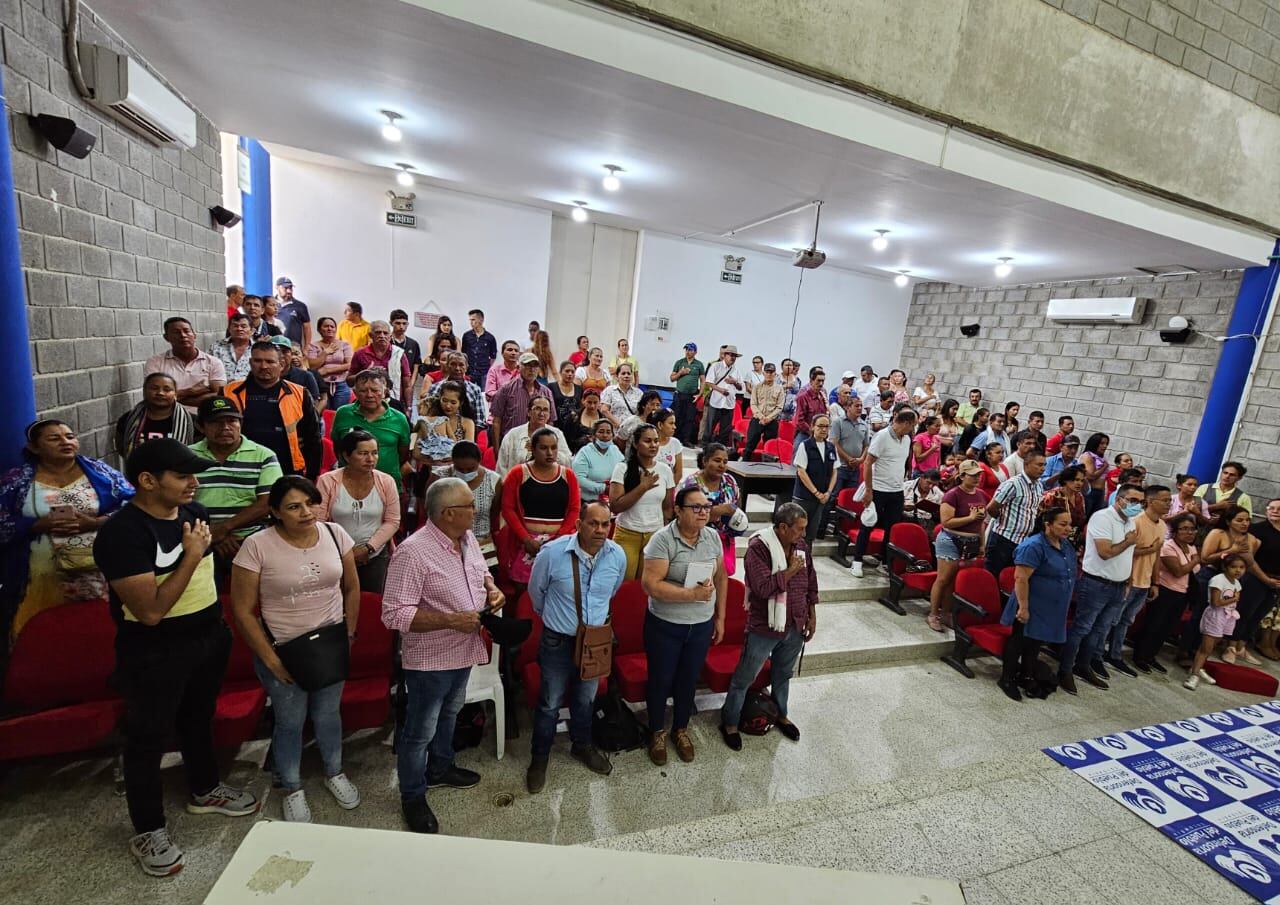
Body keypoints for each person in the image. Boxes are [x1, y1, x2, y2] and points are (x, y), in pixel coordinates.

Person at [93, 439, 258, 876]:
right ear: (148, 481)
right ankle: (148, 828)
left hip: (206, 636)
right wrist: (190, 555)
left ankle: (205, 788)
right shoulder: (122, 533)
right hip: (155, 649)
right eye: (183, 476)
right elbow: (149, 611)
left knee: (197, 718)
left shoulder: (193, 514)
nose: (194, 483)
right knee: (147, 738)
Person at [229, 476, 361, 822]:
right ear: (274, 512)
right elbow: (242, 611)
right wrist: (271, 660)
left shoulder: (335, 534)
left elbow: (351, 587)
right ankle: (290, 785)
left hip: (330, 644)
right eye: (293, 506)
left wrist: (348, 633)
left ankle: (334, 771)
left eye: (310, 503)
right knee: (290, 721)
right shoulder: (257, 546)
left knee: (328, 714)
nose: (305, 512)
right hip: (284, 648)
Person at [382, 477, 506, 834]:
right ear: (448, 513)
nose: (477, 510)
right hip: (430, 661)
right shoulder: (413, 552)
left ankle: (441, 767)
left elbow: (482, 574)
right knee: (419, 730)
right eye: (470, 506)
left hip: (465, 651)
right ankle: (413, 795)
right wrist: (450, 620)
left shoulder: (466, 538)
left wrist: (492, 590)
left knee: (451, 713)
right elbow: (393, 613)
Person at [0, 420, 133, 641]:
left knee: (97, 633)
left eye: (70, 436)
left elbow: (133, 504)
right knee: (44, 637)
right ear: (34, 447)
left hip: (97, 573)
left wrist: (96, 522)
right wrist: (36, 525)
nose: (65, 442)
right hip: (39, 578)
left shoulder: (100, 472)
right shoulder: (16, 481)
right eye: (54, 438)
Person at [525, 502, 626, 792]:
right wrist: (558, 620)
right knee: (550, 703)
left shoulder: (616, 555)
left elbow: (612, 591)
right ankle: (539, 758)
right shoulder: (553, 554)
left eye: (606, 524)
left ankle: (582, 746)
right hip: (557, 640)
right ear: (579, 523)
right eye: (593, 523)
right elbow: (536, 593)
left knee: (585, 700)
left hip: (595, 641)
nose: (600, 530)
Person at [719, 502, 816, 750]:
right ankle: (730, 722)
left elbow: (810, 581)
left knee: (783, 674)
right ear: (783, 527)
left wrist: (811, 613)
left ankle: (781, 714)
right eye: (799, 529)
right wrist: (790, 571)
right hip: (765, 626)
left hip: (794, 621)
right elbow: (762, 588)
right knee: (745, 677)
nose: (803, 534)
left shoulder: (801, 546)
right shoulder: (758, 548)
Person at [641, 486, 726, 766]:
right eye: (696, 507)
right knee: (661, 680)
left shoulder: (712, 537)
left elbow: (722, 577)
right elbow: (650, 585)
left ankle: (680, 729)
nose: (704, 512)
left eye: (707, 506)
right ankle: (656, 731)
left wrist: (720, 616)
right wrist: (691, 595)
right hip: (666, 624)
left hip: (700, 624)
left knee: (688, 680)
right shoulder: (662, 540)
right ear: (678, 510)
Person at [1057, 483, 1145, 694]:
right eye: (1133, 501)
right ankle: (1065, 670)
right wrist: (1127, 541)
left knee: (1100, 630)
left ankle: (1083, 666)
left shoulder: (1131, 521)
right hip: (1096, 583)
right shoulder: (1102, 517)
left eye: (1140, 502)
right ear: (1119, 499)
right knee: (1082, 628)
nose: (1137, 505)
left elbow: (1128, 555)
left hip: (1118, 585)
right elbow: (1105, 552)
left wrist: (1127, 582)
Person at [189, 397, 282, 587]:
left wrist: (224, 528)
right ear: (201, 427)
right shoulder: (187, 457)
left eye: (232, 421)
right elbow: (177, 504)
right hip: (199, 540)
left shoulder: (263, 455)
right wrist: (211, 535)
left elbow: (267, 503)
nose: (225, 427)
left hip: (251, 538)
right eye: (216, 422)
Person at [998, 507, 1077, 701]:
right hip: (1030, 603)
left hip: (1050, 607)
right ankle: (1007, 678)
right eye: (1063, 524)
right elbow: (1021, 579)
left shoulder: (1065, 545)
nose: (1068, 528)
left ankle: (1026, 674)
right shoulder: (1033, 546)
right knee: (1019, 640)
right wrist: (1023, 607)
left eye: (1070, 524)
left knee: (1035, 642)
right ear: (1048, 524)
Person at [222, 340, 322, 480]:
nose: (263, 366)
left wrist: (312, 476)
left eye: (270, 362)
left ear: (281, 365)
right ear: (250, 363)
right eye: (258, 361)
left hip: (287, 468)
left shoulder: (299, 393)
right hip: (241, 467)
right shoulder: (230, 392)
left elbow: (313, 437)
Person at [317, 431, 401, 592]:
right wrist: (345, 552)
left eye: (374, 453)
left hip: (375, 554)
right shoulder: (328, 481)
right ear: (347, 456)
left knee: (372, 602)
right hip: (335, 554)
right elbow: (319, 521)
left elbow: (393, 521)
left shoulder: (386, 481)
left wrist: (368, 548)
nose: (370, 459)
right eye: (363, 453)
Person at [1103, 485, 1170, 676]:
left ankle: (1114, 655)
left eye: (1169, 501)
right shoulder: (1136, 521)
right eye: (1165, 500)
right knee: (1112, 619)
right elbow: (1124, 550)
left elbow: (1156, 555)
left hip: (1145, 581)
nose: (1168, 504)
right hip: (1128, 579)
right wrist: (1148, 550)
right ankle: (1098, 654)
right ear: (1150, 501)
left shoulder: (1162, 525)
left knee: (1126, 621)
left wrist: (1155, 582)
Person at [501, 429, 580, 585]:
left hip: (559, 543)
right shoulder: (518, 473)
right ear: (532, 449)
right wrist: (526, 538)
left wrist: (559, 538)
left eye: (554, 447)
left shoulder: (568, 475)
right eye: (543, 448)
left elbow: (574, 509)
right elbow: (508, 509)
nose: (550, 453)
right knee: (523, 591)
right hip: (525, 544)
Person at [850, 408, 916, 578]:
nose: (913, 429)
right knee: (868, 524)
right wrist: (869, 490)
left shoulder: (907, 439)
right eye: (912, 425)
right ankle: (857, 561)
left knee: (891, 529)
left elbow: (903, 464)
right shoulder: (882, 436)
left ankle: (885, 562)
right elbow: (868, 463)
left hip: (896, 490)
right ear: (906, 423)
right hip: (878, 489)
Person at [1132, 513, 1200, 673]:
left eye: (1192, 529)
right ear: (1175, 531)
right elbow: (1178, 571)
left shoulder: (1191, 547)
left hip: (1182, 593)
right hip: (1165, 590)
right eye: (1184, 529)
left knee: (1167, 627)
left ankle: (1151, 656)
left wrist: (1193, 561)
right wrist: (1195, 560)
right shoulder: (1168, 546)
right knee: (1154, 625)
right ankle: (1140, 656)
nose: (1189, 532)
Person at [609, 423, 676, 579]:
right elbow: (615, 506)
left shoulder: (665, 470)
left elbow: (667, 508)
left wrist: (667, 535)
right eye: (647, 441)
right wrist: (642, 487)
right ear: (635, 443)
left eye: (656, 441)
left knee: (646, 584)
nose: (653, 445)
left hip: (655, 536)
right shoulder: (622, 468)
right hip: (627, 534)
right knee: (623, 583)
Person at [927, 459, 987, 632]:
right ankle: (933, 613)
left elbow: (981, 523)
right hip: (951, 539)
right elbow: (946, 522)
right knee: (944, 578)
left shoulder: (981, 494)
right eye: (973, 475)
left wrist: (982, 544)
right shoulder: (952, 495)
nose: (977, 478)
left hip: (971, 541)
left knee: (955, 580)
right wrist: (969, 518)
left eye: (979, 475)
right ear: (962, 476)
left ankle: (946, 612)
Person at [331, 369, 412, 492]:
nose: (369, 395)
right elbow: (338, 446)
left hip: (387, 486)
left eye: (375, 390)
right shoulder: (343, 413)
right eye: (363, 391)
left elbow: (403, 453)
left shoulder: (399, 418)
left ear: (385, 392)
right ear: (355, 393)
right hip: (349, 484)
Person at [435, 442, 503, 571]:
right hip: (446, 544)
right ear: (453, 463)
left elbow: (494, 513)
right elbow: (432, 512)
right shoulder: (439, 478)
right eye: (460, 469)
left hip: (482, 542)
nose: (465, 473)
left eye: (471, 469)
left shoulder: (493, 481)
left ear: (479, 462)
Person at [1184, 554, 1247, 690]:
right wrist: (1233, 599)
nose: (1238, 570)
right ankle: (1194, 675)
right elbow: (1216, 602)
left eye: (1241, 567)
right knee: (1205, 648)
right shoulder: (1218, 580)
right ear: (1225, 567)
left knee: (1213, 646)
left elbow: (1237, 599)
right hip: (1216, 615)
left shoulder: (1237, 583)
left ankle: (1198, 668)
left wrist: (1234, 601)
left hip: (1228, 616)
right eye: (1234, 567)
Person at [681, 443, 743, 574]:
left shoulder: (730, 481)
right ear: (704, 461)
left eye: (725, 462)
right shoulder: (692, 483)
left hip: (725, 538)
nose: (722, 465)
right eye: (717, 460)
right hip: (697, 539)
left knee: (725, 574)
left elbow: (737, 505)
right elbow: (688, 514)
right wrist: (721, 510)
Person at [984, 451, 1046, 580]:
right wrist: (1004, 522)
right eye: (1039, 465)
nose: (1043, 468)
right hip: (1003, 538)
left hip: (1022, 541)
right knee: (992, 576)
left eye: (1044, 465)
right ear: (1027, 464)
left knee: (1012, 578)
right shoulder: (1013, 484)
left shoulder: (1039, 486)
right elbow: (992, 508)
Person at [145, 317, 227, 415]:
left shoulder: (213, 362)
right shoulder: (155, 362)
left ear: (194, 335)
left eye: (187, 331)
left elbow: (219, 396)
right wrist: (191, 391)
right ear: (166, 337)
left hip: (204, 418)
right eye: (176, 332)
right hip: (169, 417)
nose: (183, 335)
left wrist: (176, 399)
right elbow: (153, 397)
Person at [115, 373, 196, 460]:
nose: (160, 393)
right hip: (139, 471)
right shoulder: (128, 419)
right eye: (154, 388)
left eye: (167, 390)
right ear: (144, 391)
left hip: (178, 471)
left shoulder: (191, 421)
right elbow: (122, 447)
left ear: (175, 394)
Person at [791, 415, 837, 549]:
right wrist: (816, 493)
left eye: (826, 427)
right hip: (804, 497)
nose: (823, 430)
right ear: (812, 427)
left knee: (811, 534)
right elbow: (801, 472)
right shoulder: (805, 446)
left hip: (821, 498)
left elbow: (835, 471)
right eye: (820, 426)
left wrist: (828, 492)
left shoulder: (830, 447)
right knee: (797, 532)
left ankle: (806, 563)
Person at [492, 352, 557, 445]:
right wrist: (497, 451)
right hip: (512, 443)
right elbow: (496, 422)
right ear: (518, 367)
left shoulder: (546, 392)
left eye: (535, 366)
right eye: (527, 365)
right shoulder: (506, 389)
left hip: (538, 444)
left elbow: (550, 421)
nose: (532, 369)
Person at [413, 380, 475, 473]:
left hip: (457, 472)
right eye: (444, 401)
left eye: (453, 402)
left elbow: (468, 453)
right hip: (430, 471)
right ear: (440, 398)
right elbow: (416, 453)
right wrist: (435, 461)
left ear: (460, 403)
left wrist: (451, 460)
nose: (448, 406)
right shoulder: (430, 421)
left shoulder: (467, 423)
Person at [497, 397, 570, 475]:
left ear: (549, 414)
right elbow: (502, 467)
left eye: (545, 410)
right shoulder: (513, 435)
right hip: (518, 483)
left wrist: (543, 450)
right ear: (528, 412)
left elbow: (567, 461)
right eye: (537, 409)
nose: (541, 413)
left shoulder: (557, 434)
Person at [349, 321, 412, 408]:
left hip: (393, 402)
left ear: (390, 336)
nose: (382, 336)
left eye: (385, 333)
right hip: (366, 402)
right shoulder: (360, 354)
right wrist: (365, 373)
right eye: (378, 332)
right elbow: (349, 381)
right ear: (371, 335)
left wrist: (409, 407)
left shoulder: (399, 354)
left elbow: (407, 385)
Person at [1251, 498, 1280, 659]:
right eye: (1271, 508)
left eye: (1279, 509)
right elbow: (1250, 557)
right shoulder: (1258, 529)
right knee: (1260, 613)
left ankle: (1271, 643)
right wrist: (1264, 577)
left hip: (1278, 579)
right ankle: (1259, 642)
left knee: (1277, 615)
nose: (1275, 511)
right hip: (1260, 575)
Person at [572, 419, 625, 506]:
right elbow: (578, 479)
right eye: (601, 432)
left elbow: (624, 470)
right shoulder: (585, 452)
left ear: (612, 435)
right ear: (593, 435)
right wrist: (603, 488)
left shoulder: (615, 450)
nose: (605, 435)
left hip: (611, 500)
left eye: (608, 432)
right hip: (588, 502)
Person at [428, 351, 489, 427]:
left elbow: (480, 421)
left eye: (461, 365)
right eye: (453, 364)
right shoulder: (434, 388)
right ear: (447, 366)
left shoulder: (475, 390)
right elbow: (429, 416)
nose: (457, 368)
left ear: (466, 367)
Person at [306, 316, 354, 411]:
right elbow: (312, 366)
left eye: (332, 326)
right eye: (326, 326)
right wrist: (325, 353)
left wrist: (327, 370)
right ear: (319, 329)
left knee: (340, 413)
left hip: (341, 385)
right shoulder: (313, 346)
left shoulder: (344, 345)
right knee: (323, 414)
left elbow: (350, 365)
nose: (329, 328)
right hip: (321, 385)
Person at [700, 345, 743, 447]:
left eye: (735, 356)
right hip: (716, 402)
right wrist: (721, 390)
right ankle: (705, 447)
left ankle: (720, 449)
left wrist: (734, 382)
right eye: (731, 355)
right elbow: (709, 383)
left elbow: (741, 387)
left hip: (729, 404)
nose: (732, 358)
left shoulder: (736, 370)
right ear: (725, 355)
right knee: (709, 427)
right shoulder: (716, 366)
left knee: (725, 429)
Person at [1040, 464, 1088, 550]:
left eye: (1082, 480)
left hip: (1073, 542)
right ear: (1066, 479)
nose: (1079, 483)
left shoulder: (1079, 497)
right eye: (1076, 480)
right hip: (1052, 541)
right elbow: (1042, 521)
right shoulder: (1052, 496)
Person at [743, 361, 783, 461]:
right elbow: (753, 403)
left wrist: (769, 418)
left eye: (772, 372)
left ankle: (767, 470)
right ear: (764, 373)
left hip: (772, 421)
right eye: (767, 372)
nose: (769, 374)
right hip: (757, 419)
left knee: (770, 449)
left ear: (775, 374)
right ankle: (743, 466)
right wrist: (761, 417)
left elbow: (779, 407)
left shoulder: (779, 389)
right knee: (749, 446)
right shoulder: (757, 387)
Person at [830, 393, 869, 496]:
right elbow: (834, 443)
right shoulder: (838, 422)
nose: (860, 408)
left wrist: (861, 459)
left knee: (850, 496)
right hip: (840, 467)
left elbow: (866, 445)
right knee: (833, 495)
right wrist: (848, 458)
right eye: (856, 406)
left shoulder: (864, 425)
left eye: (861, 406)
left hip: (855, 468)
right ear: (848, 407)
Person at [1195, 461, 1252, 526]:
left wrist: (1223, 519)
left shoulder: (1244, 497)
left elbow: (1247, 521)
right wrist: (1217, 506)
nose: (1227, 476)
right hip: (1198, 528)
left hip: (1224, 532)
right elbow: (1192, 508)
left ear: (1239, 478)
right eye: (1225, 473)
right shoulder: (1204, 488)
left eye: (1232, 475)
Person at [210, 313, 254, 383]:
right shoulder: (216, 347)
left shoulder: (257, 350)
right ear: (229, 329)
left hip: (249, 391)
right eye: (235, 326)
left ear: (252, 331)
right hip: (221, 391)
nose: (239, 329)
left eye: (243, 326)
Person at [275, 336, 322, 403]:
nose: (281, 355)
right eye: (277, 351)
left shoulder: (306, 376)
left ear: (291, 354)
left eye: (285, 351)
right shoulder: (259, 376)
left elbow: (315, 403)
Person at [461, 309, 499, 387]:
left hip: (483, 373)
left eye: (473, 320)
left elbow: (493, 356)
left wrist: (486, 367)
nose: (471, 322)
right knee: (467, 394)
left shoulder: (490, 338)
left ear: (481, 320)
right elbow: (463, 353)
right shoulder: (466, 335)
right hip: (469, 372)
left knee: (483, 395)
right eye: (470, 320)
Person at [792, 366, 828, 448]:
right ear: (811, 381)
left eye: (823, 381)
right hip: (805, 433)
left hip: (819, 434)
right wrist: (812, 431)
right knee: (797, 454)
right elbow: (799, 421)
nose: (821, 384)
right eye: (818, 381)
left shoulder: (822, 397)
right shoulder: (803, 397)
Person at [390, 309, 424, 394]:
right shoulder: (387, 342)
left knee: (407, 407)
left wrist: (411, 384)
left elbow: (416, 366)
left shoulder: (413, 343)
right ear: (391, 323)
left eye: (404, 323)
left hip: (407, 383)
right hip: (390, 384)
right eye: (398, 323)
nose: (401, 326)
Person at [600, 363, 644, 430]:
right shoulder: (610, 390)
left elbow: (643, 413)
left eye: (629, 373)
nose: (626, 376)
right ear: (617, 377)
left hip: (634, 431)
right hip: (615, 430)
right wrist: (620, 425)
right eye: (623, 373)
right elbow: (604, 410)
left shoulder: (639, 393)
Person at [275, 277, 311, 349]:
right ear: (277, 287)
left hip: (293, 347)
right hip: (274, 346)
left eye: (290, 288)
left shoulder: (300, 306)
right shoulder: (270, 304)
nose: (289, 291)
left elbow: (307, 327)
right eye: (285, 288)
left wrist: (307, 347)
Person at [651, 408, 684, 485]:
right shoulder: (649, 444)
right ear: (660, 425)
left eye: (674, 423)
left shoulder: (675, 443)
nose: (674, 427)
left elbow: (678, 473)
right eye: (671, 423)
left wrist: (669, 490)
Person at [565, 389, 605, 454]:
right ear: (583, 401)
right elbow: (567, 438)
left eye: (595, 402)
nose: (592, 406)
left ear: (599, 402)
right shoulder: (573, 417)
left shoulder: (603, 418)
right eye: (589, 402)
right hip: (577, 453)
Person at [1080, 432, 1110, 516]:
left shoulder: (1101, 458)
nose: (1105, 446)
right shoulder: (1088, 456)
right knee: (1085, 516)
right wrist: (1104, 467)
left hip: (1099, 492)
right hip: (1090, 492)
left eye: (1106, 444)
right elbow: (1090, 476)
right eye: (1102, 443)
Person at [550, 360, 583, 425]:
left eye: (572, 372)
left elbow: (581, 408)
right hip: (556, 425)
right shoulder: (551, 387)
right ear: (560, 372)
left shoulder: (579, 389)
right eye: (567, 371)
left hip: (574, 427)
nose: (570, 374)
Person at [779, 358, 803, 424]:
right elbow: (773, 390)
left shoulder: (798, 380)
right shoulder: (777, 378)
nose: (789, 367)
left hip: (793, 412)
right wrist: (784, 386)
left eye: (790, 365)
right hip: (780, 412)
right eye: (786, 365)